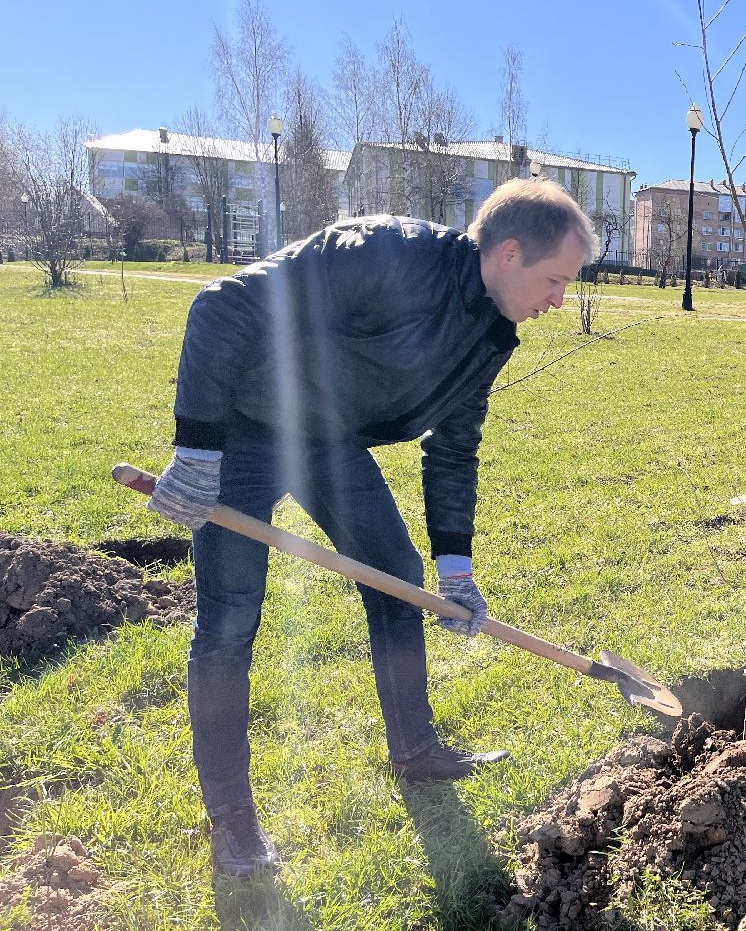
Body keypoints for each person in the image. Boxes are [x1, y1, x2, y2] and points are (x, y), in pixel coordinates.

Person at [146, 179, 596, 877]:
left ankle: (415, 750)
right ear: (508, 252)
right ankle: (233, 820)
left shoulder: (491, 336)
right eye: (555, 280)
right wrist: (199, 451)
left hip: (329, 440)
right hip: (247, 428)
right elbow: (222, 308)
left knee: (398, 578)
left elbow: (452, 450)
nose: (559, 301)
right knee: (231, 621)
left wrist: (459, 574)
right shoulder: (385, 254)